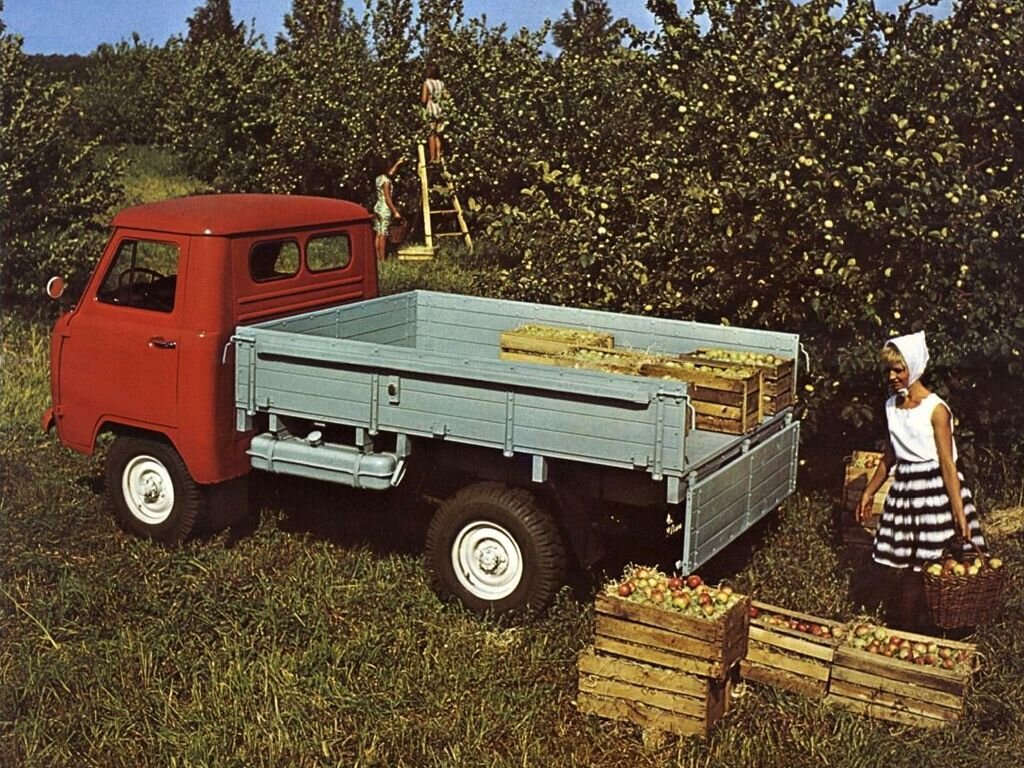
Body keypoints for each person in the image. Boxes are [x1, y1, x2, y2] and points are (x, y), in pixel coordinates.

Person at [856, 331, 987, 631]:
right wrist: (869, 491)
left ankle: (945, 622)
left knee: (937, 563)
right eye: (888, 370)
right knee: (911, 568)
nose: (892, 376)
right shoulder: (891, 408)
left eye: (899, 370)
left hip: (935, 493)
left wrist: (959, 512)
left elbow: (947, 463)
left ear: (914, 367)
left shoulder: (936, 410)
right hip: (906, 494)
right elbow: (889, 456)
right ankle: (907, 626)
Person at [372, 155, 404, 262]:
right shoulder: (386, 182)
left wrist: (398, 163)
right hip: (384, 209)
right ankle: (382, 259)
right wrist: (395, 212)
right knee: (383, 234)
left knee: (378, 233)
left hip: (377, 207)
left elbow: (390, 173)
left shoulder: (379, 178)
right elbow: (387, 198)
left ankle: (377, 258)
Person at [421, 62, 446, 164]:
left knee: (431, 134)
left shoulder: (427, 83)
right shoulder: (441, 83)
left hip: (431, 110)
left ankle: (432, 157)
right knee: (438, 134)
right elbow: (446, 95)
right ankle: (438, 156)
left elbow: (424, 99)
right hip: (440, 110)